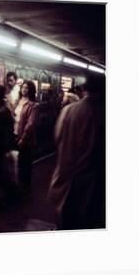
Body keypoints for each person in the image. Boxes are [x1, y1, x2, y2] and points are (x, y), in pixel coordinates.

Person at [47, 73, 105, 229]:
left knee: (65, 221)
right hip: (89, 186)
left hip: (64, 176)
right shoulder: (102, 114)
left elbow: (58, 138)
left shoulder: (68, 110)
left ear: (85, 88)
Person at [14, 80, 40, 194]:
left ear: (31, 90)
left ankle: (25, 185)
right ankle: (18, 183)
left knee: (25, 163)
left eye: (27, 88)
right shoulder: (18, 101)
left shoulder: (34, 105)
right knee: (17, 161)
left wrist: (23, 139)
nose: (24, 89)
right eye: (23, 87)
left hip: (25, 138)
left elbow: (31, 124)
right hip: (14, 134)